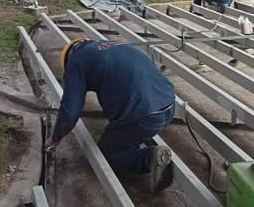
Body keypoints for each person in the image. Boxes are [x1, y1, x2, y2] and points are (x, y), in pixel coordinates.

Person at [44, 37, 176, 193]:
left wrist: (56, 137)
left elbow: (70, 111)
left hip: (143, 116)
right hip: (169, 104)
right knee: (128, 130)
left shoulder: (76, 61)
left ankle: (151, 158)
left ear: (68, 58)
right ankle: (137, 140)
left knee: (106, 156)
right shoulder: (114, 45)